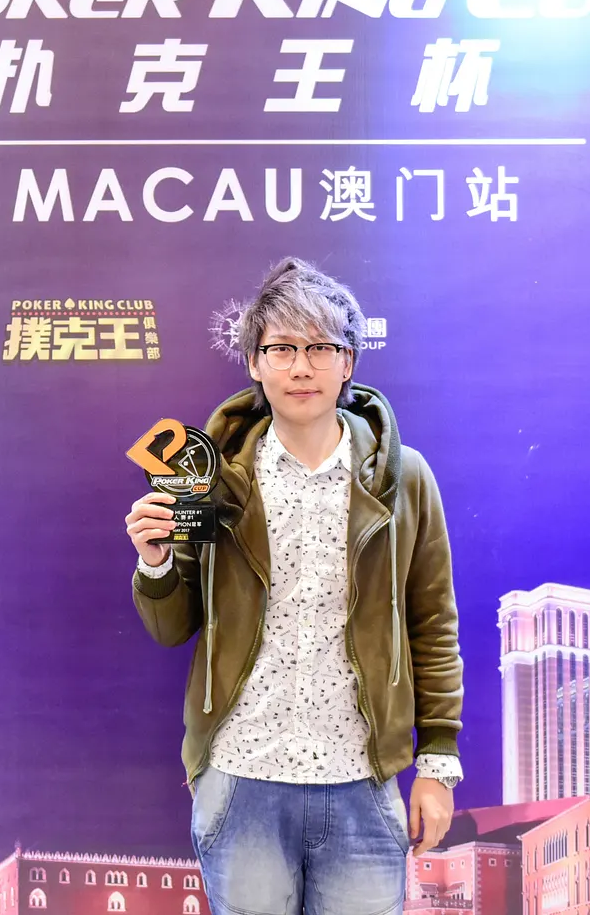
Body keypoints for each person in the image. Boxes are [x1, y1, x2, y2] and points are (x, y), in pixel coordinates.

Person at [125, 258, 463, 915]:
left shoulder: (404, 479)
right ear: (255, 363)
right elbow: (172, 627)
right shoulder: (211, 480)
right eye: (282, 349)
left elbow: (433, 623)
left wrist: (438, 763)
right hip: (241, 778)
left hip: (362, 780)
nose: (301, 368)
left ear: (348, 362)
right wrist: (156, 561)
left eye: (320, 348)